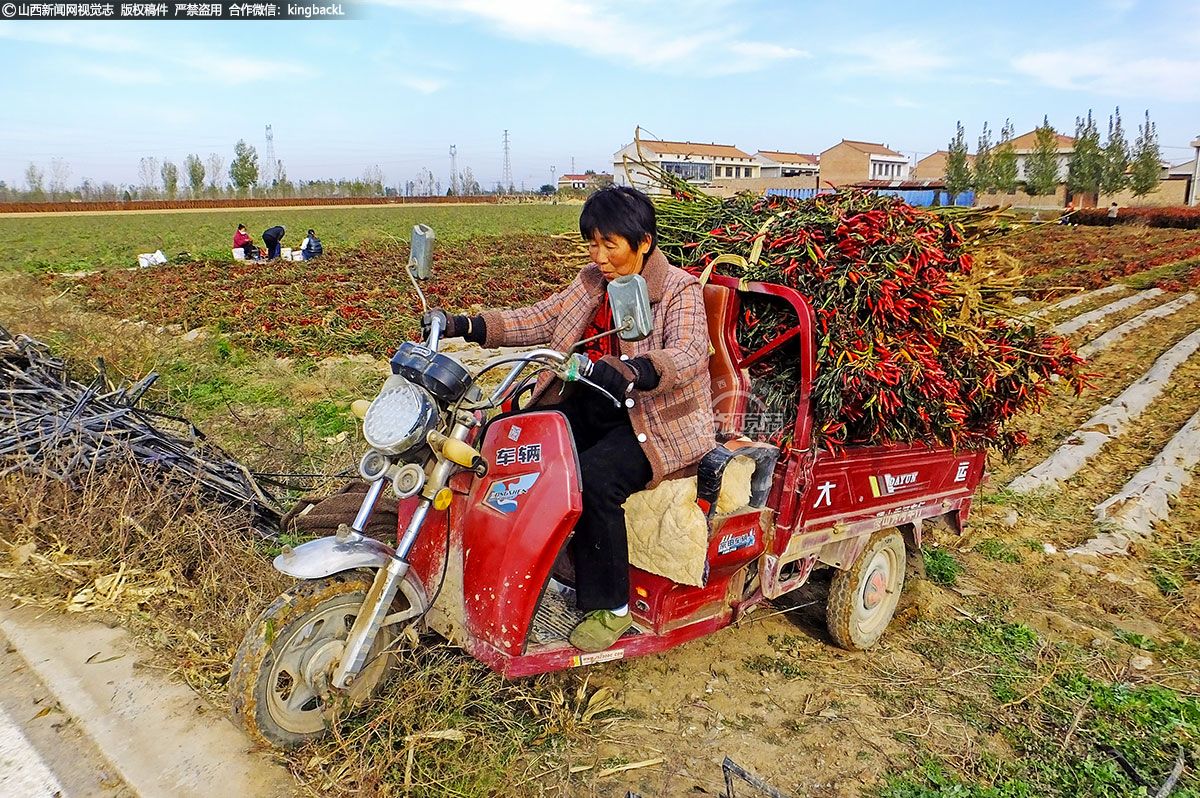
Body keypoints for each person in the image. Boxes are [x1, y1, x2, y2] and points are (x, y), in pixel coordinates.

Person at [424, 186, 715, 653]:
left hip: (654, 422)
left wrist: (637, 369)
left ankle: (611, 606)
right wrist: (470, 325)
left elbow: (688, 352)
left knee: (596, 479)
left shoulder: (678, 289)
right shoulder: (592, 281)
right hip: (594, 399)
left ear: (644, 242)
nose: (599, 256)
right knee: (517, 443)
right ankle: (520, 557)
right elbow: (540, 318)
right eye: (592, 244)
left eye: (609, 245)